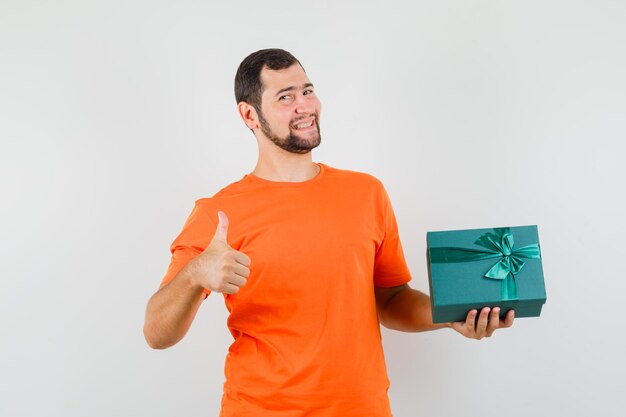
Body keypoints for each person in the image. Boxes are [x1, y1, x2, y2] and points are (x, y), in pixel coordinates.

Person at [143, 48, 514, 417]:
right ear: (249, 115)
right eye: (286, 97)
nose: (304, 105)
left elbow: (390, 299)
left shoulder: (366, 193)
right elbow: (156, 333)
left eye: (307, 91)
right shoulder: (217, 213)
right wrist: (195, 275)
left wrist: (447, 315)